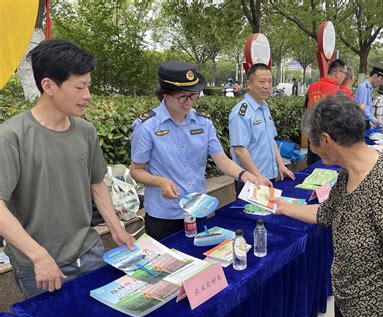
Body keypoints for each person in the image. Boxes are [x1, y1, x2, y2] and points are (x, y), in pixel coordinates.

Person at [273, 96, 383, 317]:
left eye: (312, 141)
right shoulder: (346, 176)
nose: (312, 148)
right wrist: (280, 206)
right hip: (350, 306)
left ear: (327, 140)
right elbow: (327, 213)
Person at [0, 39, 134, 298]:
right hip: (41, 266)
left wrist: (116, 227)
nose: (88, 95)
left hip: (90, 251)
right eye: (80, 87)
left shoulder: (85, 131)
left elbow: (97, 184)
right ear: (48, 85)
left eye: (89, 86)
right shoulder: (11, 137)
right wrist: (38, 256)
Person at [130, 61, 261, 240]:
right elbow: (136, 170)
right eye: (183, 97)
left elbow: (221, 159)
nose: (189, 102)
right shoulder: (146, 127)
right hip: (164, 215)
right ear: (165, 94)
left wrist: (244, 175)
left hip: (198, 209)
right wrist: (160, 181)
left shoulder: (203, 122)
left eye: (193, 96)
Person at [229, 63, 295, 196]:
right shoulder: (241, 113)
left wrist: (281, 165)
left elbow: (271, 139)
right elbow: (240, 150)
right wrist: (257, 176)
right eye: (262, 82)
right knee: (251, 216)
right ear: (249, 84)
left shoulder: (264, 107)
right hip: (251, 179)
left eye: (270, 82)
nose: (267, 86)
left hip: (268, 175)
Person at [304, 59, 348, 165]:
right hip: (327, 139)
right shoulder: (337, 92)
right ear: (337, 73)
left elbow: (306, 107)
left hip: (312, 134)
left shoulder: (312, 86)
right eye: (345, 73)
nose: (345, 77)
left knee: (311, 166)